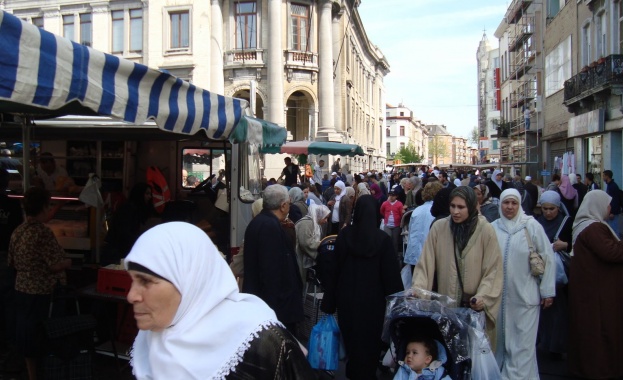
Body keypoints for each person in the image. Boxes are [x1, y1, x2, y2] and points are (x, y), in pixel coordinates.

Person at [125, 222, 316, 379]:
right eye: (132, 280)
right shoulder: (147, 341)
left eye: (146, 281)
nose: (131, 295)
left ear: (189, 281)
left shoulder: (261, 343)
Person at [320, 195, 402, 380]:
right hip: (374, 304)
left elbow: (334, 270)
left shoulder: (344, 236)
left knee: (352, 341)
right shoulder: (382, 240)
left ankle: (353, 372)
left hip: (347, 300)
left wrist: (329, 302)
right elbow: (391, 278)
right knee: (370, 344)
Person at [412, 186, 503, 350]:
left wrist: (483, 296)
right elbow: (425, 264)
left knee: (473, 359)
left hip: (473, 310)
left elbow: (493, 269)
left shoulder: (485, 230)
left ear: (471, 205)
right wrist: (418, 289)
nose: (455, 211)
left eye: (461, 207)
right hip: (446, 308)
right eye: (452, 206)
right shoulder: (439, 228)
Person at [8, 187, 72, 380]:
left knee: (26, 335)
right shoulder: (43, 233)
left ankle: (32, 375)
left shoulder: (18, 231)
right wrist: (68, 262)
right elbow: (54, 266)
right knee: (41, 335)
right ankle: (46, 373)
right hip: (40, 292)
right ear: (43, 207)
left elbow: (11, 262)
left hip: (21, 288)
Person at [491, 189, 556, 379]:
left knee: (523, 346)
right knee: (500, 343)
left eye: (514, 203)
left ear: (520, 205)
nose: (510, 207)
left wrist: (547, 291)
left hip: (525, 297)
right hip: (499, 299)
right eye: (506, 203)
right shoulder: (493, 227)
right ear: (500, 204)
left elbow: (547, 258)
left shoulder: (531, 227)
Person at [567, 190, 623, 379]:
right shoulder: (593, 228)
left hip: (590, 290)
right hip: (597, 293)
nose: (610, 208)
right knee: (599, 332)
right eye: (607, 204)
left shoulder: (585, 226)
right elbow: (611, 253)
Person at [242, 185, 303, 334]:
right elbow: (271, 272)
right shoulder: (269, 226)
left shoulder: (261, 222)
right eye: (288, 202)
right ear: (283, 206)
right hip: (275, 309)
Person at [535, 191, 573, 358]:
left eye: (552, 209)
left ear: (558, 208)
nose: (548, 212)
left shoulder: (567, 222)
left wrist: (565, 245)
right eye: (545, 209)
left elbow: (577, 242)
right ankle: (544, 343)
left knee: (558, 312)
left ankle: (556, 346)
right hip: (539, 273)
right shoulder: (535, 223)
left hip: (559, 277)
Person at [105, 182, 156, 260]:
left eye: (150, 194)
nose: (150, 197)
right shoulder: (129, 209)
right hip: (117, 251)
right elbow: (124, 233)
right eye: (147, 193)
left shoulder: (132, 208)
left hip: (120, 249)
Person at [404, 181, 442, 268]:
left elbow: (411, 233)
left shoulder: (417, 210)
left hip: (414, 254)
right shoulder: (436, 212)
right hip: (428, 255)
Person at [295, 204, 330, 283]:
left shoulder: (314, 224)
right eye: (325, 218)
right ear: (319, 215)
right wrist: (321, 245)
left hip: (302, 256)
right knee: (300, 280)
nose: (326, 221)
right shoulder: (306, 223)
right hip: (299, 257)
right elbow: (306, 244)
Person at [381, 190, 404, 259]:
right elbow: (382, 211)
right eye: (390, 195)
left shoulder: (399, 204)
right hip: (387, 224)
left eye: (393, 196)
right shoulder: (385, 203)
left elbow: (401, 214)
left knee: (395, 241)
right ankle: (387, 254)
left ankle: (394, 255)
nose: (391, 197)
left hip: (396, 225)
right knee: (388, 239)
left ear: (396, 196)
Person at [602, 169, 621, 236]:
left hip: (613, 213)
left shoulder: (613, 186)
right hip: (611, 212)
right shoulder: (610, 185)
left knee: (614, 231)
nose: (603, 178)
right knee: (611, 230)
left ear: (607, 176)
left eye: (604, 176)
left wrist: (612, 212)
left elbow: (615, 200)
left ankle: (617, 245)